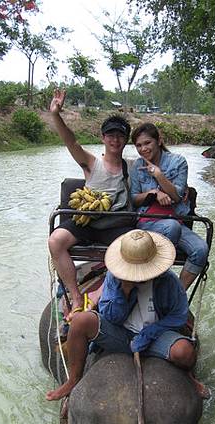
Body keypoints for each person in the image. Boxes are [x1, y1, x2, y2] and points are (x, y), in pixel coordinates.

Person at [46, 229, 209, 404]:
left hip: (156, 337)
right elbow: (110, 316)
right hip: (119, 333)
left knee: (185, 352)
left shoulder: (169, 281)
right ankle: (73, 380)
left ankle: (188, 377)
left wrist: (149, 334)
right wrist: (124, 291)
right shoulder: (114, 278)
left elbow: (178, 315)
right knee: (80, 321)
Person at [48, 89, 132, 318]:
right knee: (55, 241)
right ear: (103, 138)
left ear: (125, 140)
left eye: (120, 136)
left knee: (131, 250)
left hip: (115, 224)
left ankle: (101, 294)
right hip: (86, 221)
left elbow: (154, 163)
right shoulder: (91, 163)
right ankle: (75, 297)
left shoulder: (132, 167)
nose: (115, 140)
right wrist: (56, 114)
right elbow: (71, 141)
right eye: (111, 135)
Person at [129, 122, 209, 290]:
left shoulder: (178, 162)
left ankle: (177, 294)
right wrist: (153, 193)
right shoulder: (137, 166)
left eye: (147, 143)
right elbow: (134, 198)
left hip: (176, 221)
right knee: (171, 227)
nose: (143, 149)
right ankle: (152, 286)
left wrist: (158, 175)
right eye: (139, 145)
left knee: (201, 250)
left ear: (159, 141)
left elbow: (177, 196)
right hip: (148, 221)